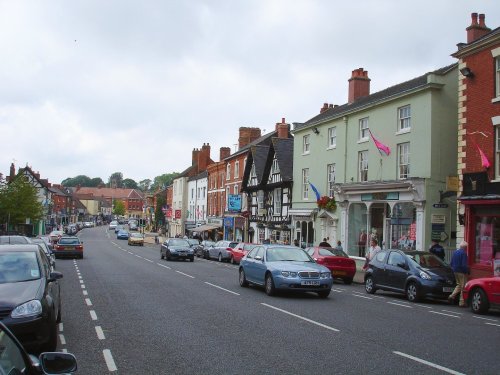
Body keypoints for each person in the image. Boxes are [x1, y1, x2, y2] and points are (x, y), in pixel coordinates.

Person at [448, 241, 469, 307]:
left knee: (459, 285)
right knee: (463, 287)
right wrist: (467, 271)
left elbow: (451, 263)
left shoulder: (455, 252)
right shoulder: (464, 253)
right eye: (466, 247)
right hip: (461, 272)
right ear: (465, 247)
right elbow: (464, 265)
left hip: (455, 270)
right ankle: (461, 302)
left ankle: (451, 296)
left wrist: (453, 268)